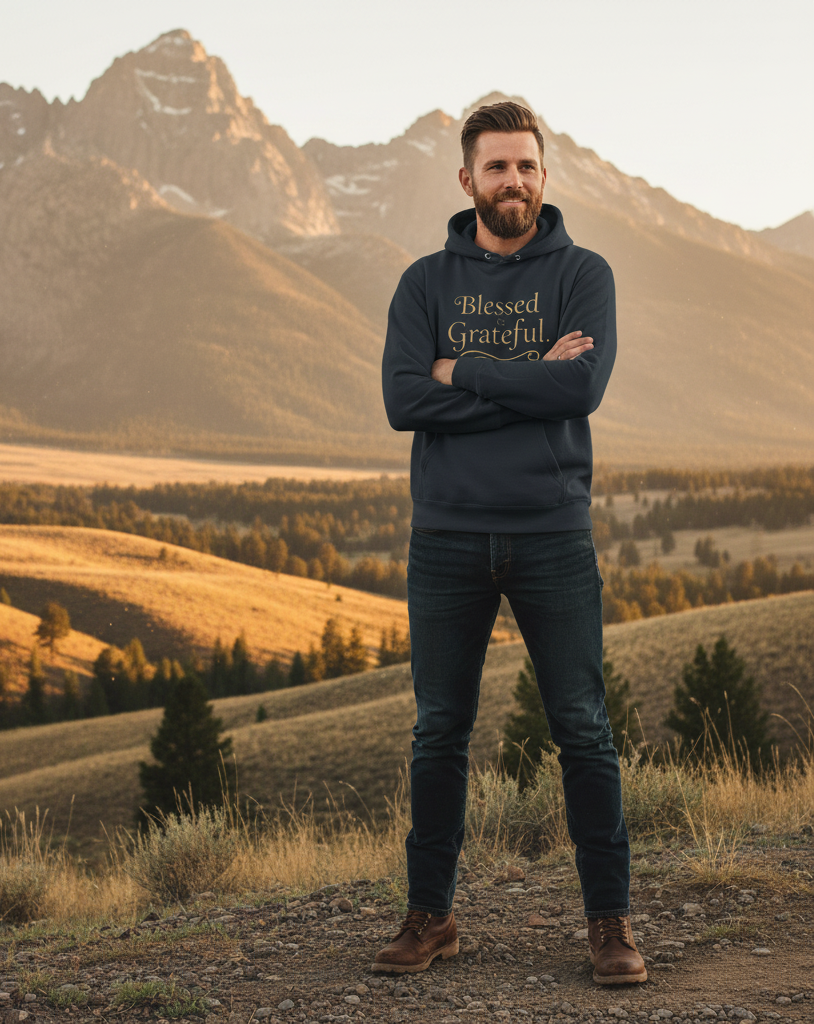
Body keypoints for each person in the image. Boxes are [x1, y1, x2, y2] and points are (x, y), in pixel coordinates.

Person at [374, 101, 646, 986]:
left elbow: (582, 389)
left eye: (526, 166)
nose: (513, 182)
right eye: (496, 168)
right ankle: (431, 916)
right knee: (439, 731)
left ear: (543, 176)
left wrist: (468, 371)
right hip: (446, 537)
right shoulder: (425, 283)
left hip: (551, 536)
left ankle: (610, 925)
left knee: (583, 729)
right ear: (467, 181)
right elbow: (405, 402)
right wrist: (532, 380)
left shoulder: (584, 273)